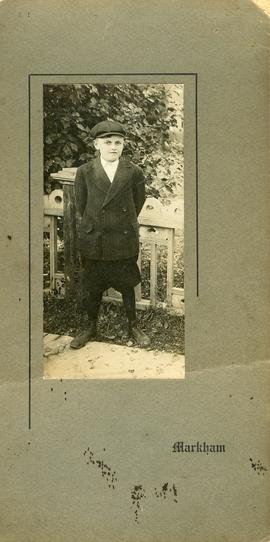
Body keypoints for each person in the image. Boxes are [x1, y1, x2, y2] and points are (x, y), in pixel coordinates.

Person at [70, 119, 150, 349]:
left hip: (123, 237)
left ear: (123, 144)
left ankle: (133, 326)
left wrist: (121, 222)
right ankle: (90, 327)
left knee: (126, 284)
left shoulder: (133, 171)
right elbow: (81, 204)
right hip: (95, 238)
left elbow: (138, 201)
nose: (113, 147)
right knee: (93, 285)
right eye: (108, 142)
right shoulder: (85, 172)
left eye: (118, 142)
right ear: (97, 145)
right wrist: (96, 224)